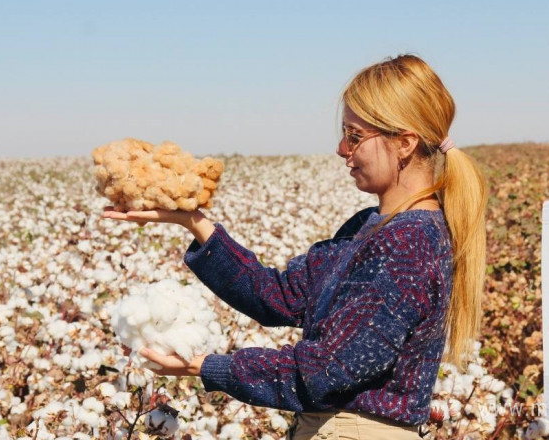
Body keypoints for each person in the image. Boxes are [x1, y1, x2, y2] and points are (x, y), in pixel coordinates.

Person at [103, 54, 487, 440]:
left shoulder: (407, 243)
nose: (341, 148)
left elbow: (327, 371)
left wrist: (208, 367)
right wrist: (193, 220)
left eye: (355, 135)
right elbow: (277, 297)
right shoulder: (367, 228)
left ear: (404, 143)